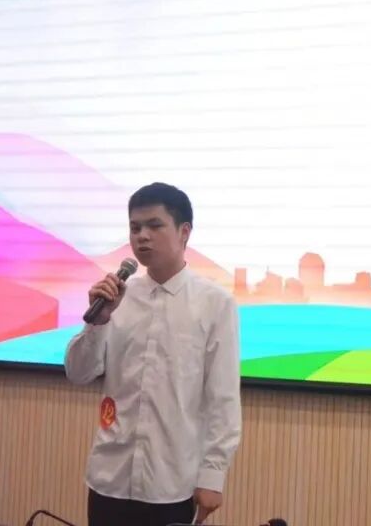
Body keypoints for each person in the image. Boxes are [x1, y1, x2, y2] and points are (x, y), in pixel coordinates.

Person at [65, 183, 242, 526]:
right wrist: (98, 322)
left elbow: (223, 398)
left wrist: (213, 475)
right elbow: (78, 373)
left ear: (184, 231)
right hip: (109, 478)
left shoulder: (215, 304)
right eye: (135, 228)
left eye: (154, 225)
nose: (142, 236)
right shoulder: (117, 298)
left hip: (171, 484)